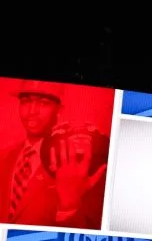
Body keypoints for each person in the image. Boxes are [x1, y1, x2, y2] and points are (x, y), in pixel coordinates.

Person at [0, 80, 105, 228]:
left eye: (43, 103)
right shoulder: (3, 157)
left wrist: (69, 207)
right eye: (25, 102)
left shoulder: (79, 162)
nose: (32, 111)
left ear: (59, 110)